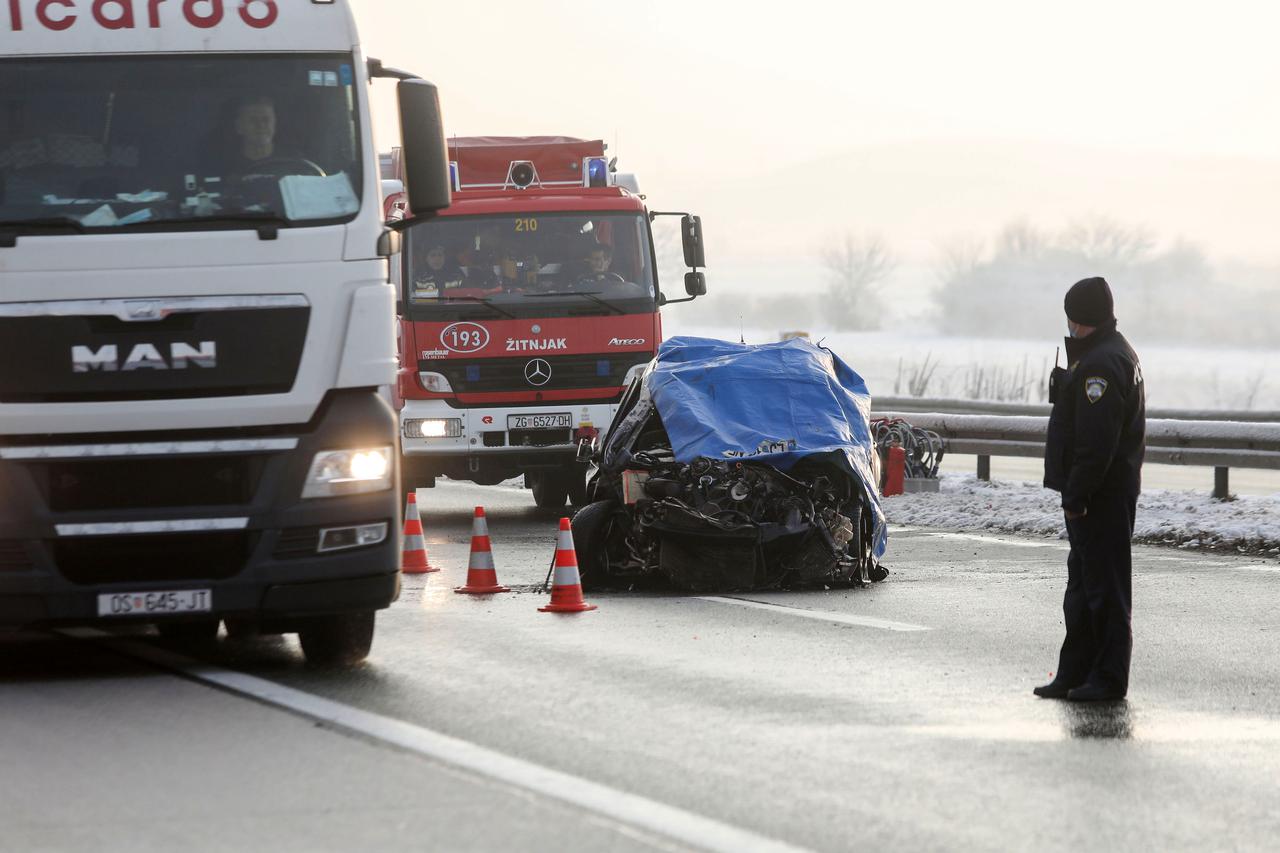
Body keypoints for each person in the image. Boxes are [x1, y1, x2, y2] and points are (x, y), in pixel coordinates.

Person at [1036, 276, 1146, 702]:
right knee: (1082, 590)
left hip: (1101, 497)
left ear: (1080, 318)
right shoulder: (1110, 354)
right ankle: (1075, 673)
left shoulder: (1101, 363)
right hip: (1100, 494)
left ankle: (1108, 679)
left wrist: (1077, 495)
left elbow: (1096, 443)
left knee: (1105, 591)